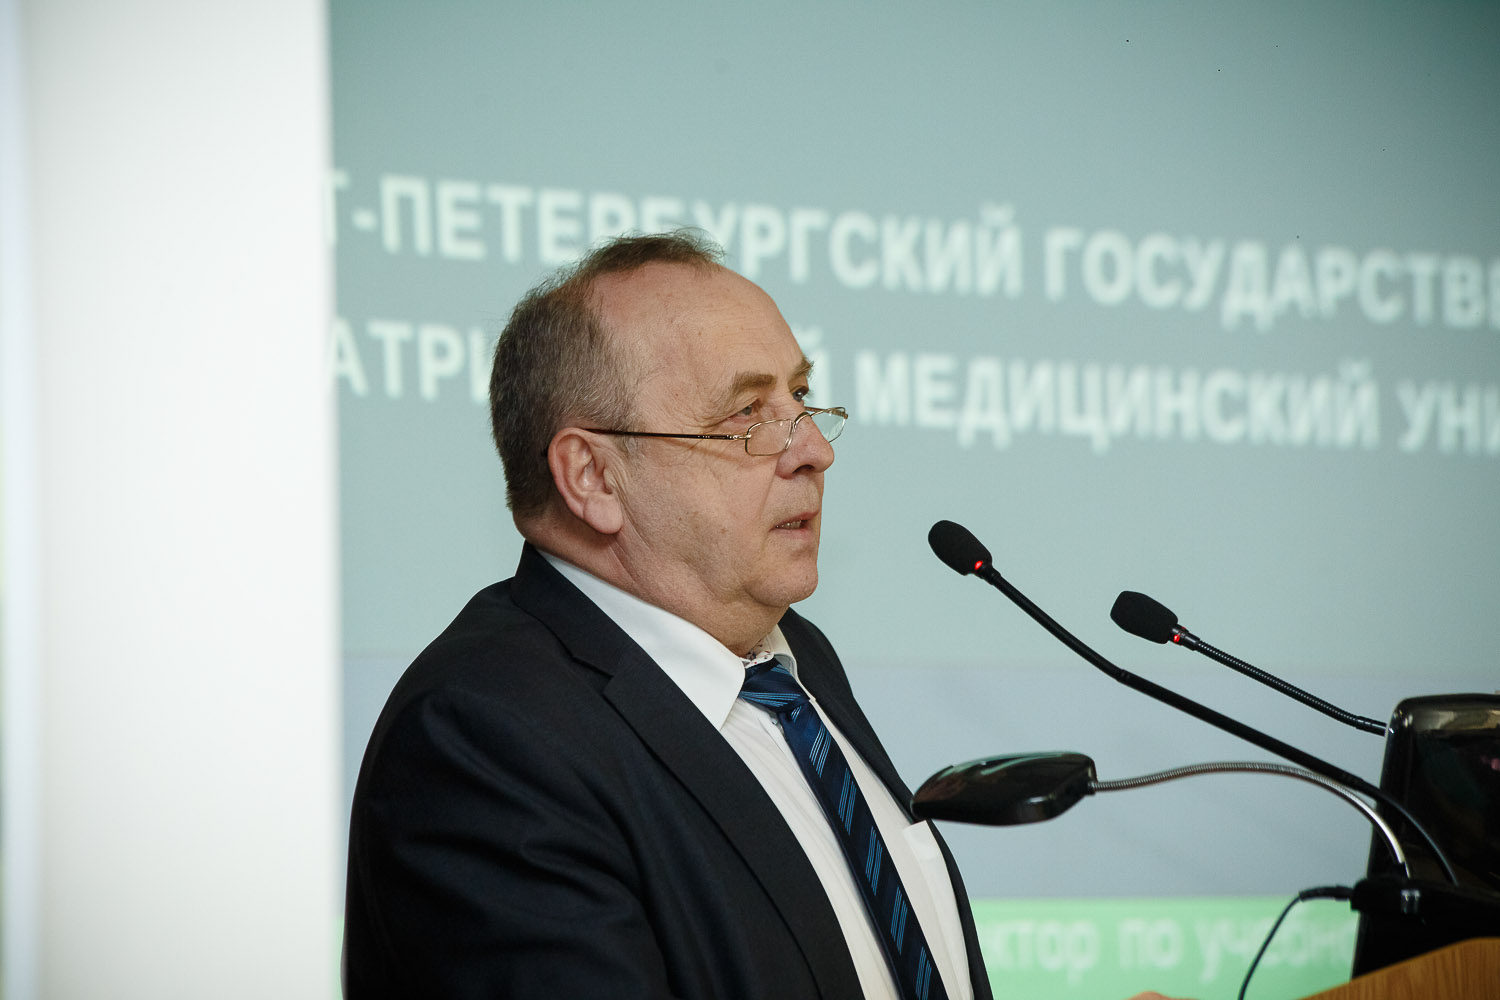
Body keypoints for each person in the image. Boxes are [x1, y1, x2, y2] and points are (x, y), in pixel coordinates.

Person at [347, 231, 1178, 1000]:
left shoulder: (791, 661)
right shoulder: (485, 739)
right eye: (747, 413)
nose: (815, 448)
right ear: (593, 477)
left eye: (801, 395)